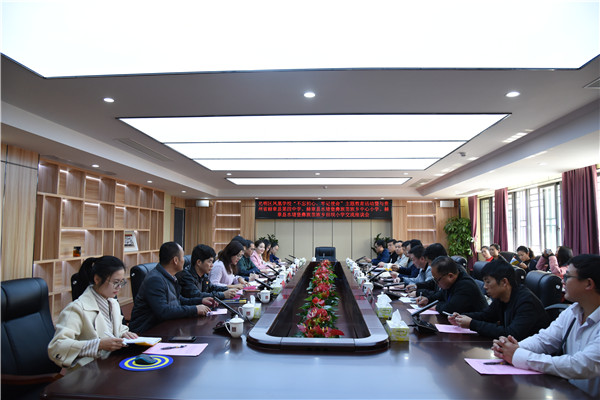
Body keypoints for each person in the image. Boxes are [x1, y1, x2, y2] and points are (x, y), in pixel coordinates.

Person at [492, 254, 600, 396]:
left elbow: (581, 365)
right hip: (569, 393)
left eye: (567, 277)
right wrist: (511, 348)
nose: (563, 281)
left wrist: (519, 355)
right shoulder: (572, 311)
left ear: (588, 284)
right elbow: (544, 340)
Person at [48, 256, 138, 369]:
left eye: (121, 282)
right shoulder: (76, 308)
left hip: (110, 364)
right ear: (97, 279)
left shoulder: (112, 302)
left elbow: (114, 328)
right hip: (88, 370)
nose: (119, 287)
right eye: (115, 282)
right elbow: (57, 347)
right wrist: (98, 345)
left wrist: (124, 333)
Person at [449, 258, 550, 340]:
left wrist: (472, 324)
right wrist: (462, 317)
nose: (485, 286)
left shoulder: (526, 302)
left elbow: (511, 334)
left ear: (504, 282)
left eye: (488, 282)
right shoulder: (501, 297)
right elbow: (486, 316)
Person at [129, 242, 212, 334]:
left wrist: (201, 301)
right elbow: (163, 311)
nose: (184, 261)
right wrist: (194, 309)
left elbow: (178, 300)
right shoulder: (155, 280)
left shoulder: (169, 276)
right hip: (147, 332)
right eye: (182, 257)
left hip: (165, 328)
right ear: (175, 260)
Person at [416, 256, 487, 314]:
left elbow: (450, 309)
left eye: (437, 280)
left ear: (450, 276)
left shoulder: (466, 285)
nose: (437, 283)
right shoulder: (453, 281)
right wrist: (428, 299)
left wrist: (436, 307)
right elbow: (441, 294)